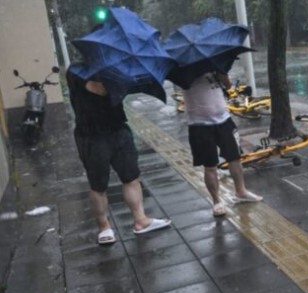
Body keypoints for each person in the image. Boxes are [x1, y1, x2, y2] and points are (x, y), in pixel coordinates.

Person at [67, 67, 172, 246]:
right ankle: (104, 227)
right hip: (91, 136)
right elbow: (99, 89)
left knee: (131, 177)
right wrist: (120, 81)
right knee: (98, 184)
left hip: (118, 130)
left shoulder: (116, 70)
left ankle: (141, 220)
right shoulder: (77, 70)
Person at [181, 71, 262, 217]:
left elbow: (228, 85)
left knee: (235, 157)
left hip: (224, 120)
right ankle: (217, 201)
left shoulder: (214, 64)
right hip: (199, 125)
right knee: (210, 165)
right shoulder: (183, 69)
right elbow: (184, 84)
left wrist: (220, 74)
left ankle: (241, 191)